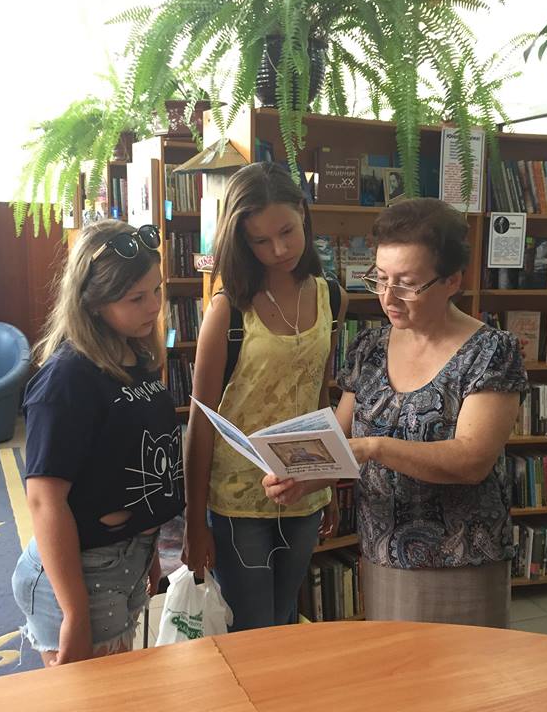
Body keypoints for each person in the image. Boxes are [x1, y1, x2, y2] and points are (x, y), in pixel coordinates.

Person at [263, 198, 528, 627]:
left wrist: (376, 447)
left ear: (452, 281)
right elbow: (341, 441)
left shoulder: (491, 352)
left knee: (460, 669)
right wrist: (303, 477)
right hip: (382, 552)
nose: (388, 297)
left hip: (462, 560)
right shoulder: (369, 347)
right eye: (381, 279)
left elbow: (471, 460)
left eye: (407, 284)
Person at [183, 161, 347, 631]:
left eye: (287, 232)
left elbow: (319, 394)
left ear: (303, 214)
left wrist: (327, 482)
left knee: (284, 619)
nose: (278, 250)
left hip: (304, 488)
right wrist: (195, 521)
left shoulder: (332, 297)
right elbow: (201, 419)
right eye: (260, 240)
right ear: (241, 241)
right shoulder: (227, 309)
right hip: (238, 498)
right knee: (253, 628)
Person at [11, 220, 183, 666]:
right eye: (136, 298)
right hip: (83, 572)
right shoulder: (67, 379)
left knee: (113, 687)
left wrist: (148, 549)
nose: (154, 307)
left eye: (156, 290)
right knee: (86, 693)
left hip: (126, 559)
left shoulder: (134, 354)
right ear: (93, 302)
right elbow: (44, 501)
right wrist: (74, 612)